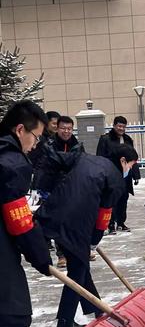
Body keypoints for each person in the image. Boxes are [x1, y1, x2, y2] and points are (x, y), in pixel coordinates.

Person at [35, 144, 135, 327]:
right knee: (78, 271)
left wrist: (43, 187)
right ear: (123, 161)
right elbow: (103, 217)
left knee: (79, 266)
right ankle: (65, 323)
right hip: (76, 226)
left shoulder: (84, 157)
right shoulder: (115, 180)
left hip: (52, 215)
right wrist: (94, 241)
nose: (130, 170)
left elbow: (55, 158)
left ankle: (97, 309)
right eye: (130, 165)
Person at [0, 100, 52, 327]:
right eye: (35, 137)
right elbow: (20, 221)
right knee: (16, 316)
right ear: (20, 130)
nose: (35, 145)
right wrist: (41, 258)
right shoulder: (12, 164)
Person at [34, 115, 82, 268]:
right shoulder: (48, 145)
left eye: (69, 129)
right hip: (52, 189)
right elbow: (44, 165)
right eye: (63, 128)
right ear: (57, 128)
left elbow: (80, 165)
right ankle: (62, 255)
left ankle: (78, 250)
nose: (66, 132)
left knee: (73, 222)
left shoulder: (77, 145)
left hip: (71, 188)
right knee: (57, 222)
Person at [96, 116, 141, 234]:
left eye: (123, 126)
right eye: (119, 126)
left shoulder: (128, 139)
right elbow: (100, 156)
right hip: (111, 173)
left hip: (125, 174)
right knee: (111, 199)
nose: (121, 128)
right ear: (114, 125)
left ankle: (121, 222)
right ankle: (110, 224)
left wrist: (136, 174)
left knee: (123, 198)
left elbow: (133, 157)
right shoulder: (105, 139)